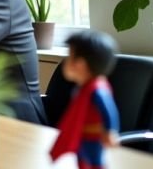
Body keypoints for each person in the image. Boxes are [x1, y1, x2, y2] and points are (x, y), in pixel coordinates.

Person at [50, 30, 120, 168]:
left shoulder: (98, 90)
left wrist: (110, 130)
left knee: (95, 162)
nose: (65, 62)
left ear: (80, 64)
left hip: (93, 138)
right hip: (80, 135)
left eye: (69, 57)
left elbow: (109, 111)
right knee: (82, 161)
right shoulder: (83, 88)